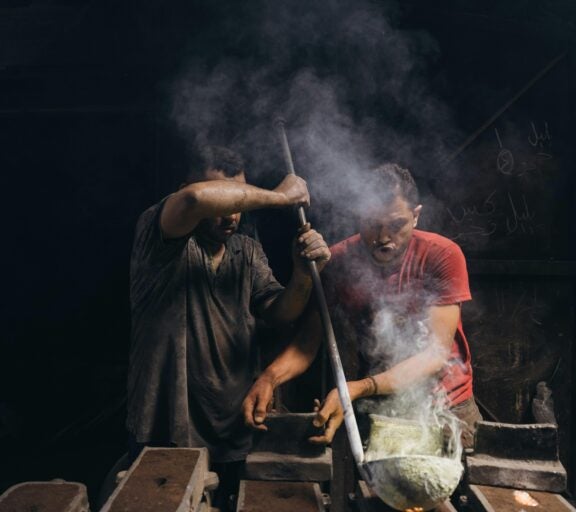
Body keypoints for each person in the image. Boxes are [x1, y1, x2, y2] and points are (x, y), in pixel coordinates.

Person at [127, 145, 330, 509]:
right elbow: (193, 200)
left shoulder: (247, 252)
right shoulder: (161, 234)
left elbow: (280, 312)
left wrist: (301, 273)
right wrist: (281, 197)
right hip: (168, 424)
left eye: (239, 201)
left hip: (234, 422)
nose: (231, 215)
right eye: (225, 201)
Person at [243, 163, 482, 451]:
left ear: (415, 216)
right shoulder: (339, 261)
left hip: (447, 405)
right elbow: (307, 343)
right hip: (380, 406)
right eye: (372, 223)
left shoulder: (441, 256)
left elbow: (435, 354)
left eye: (396, 225)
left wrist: (356, 389)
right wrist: (270, 377)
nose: (383, 237)